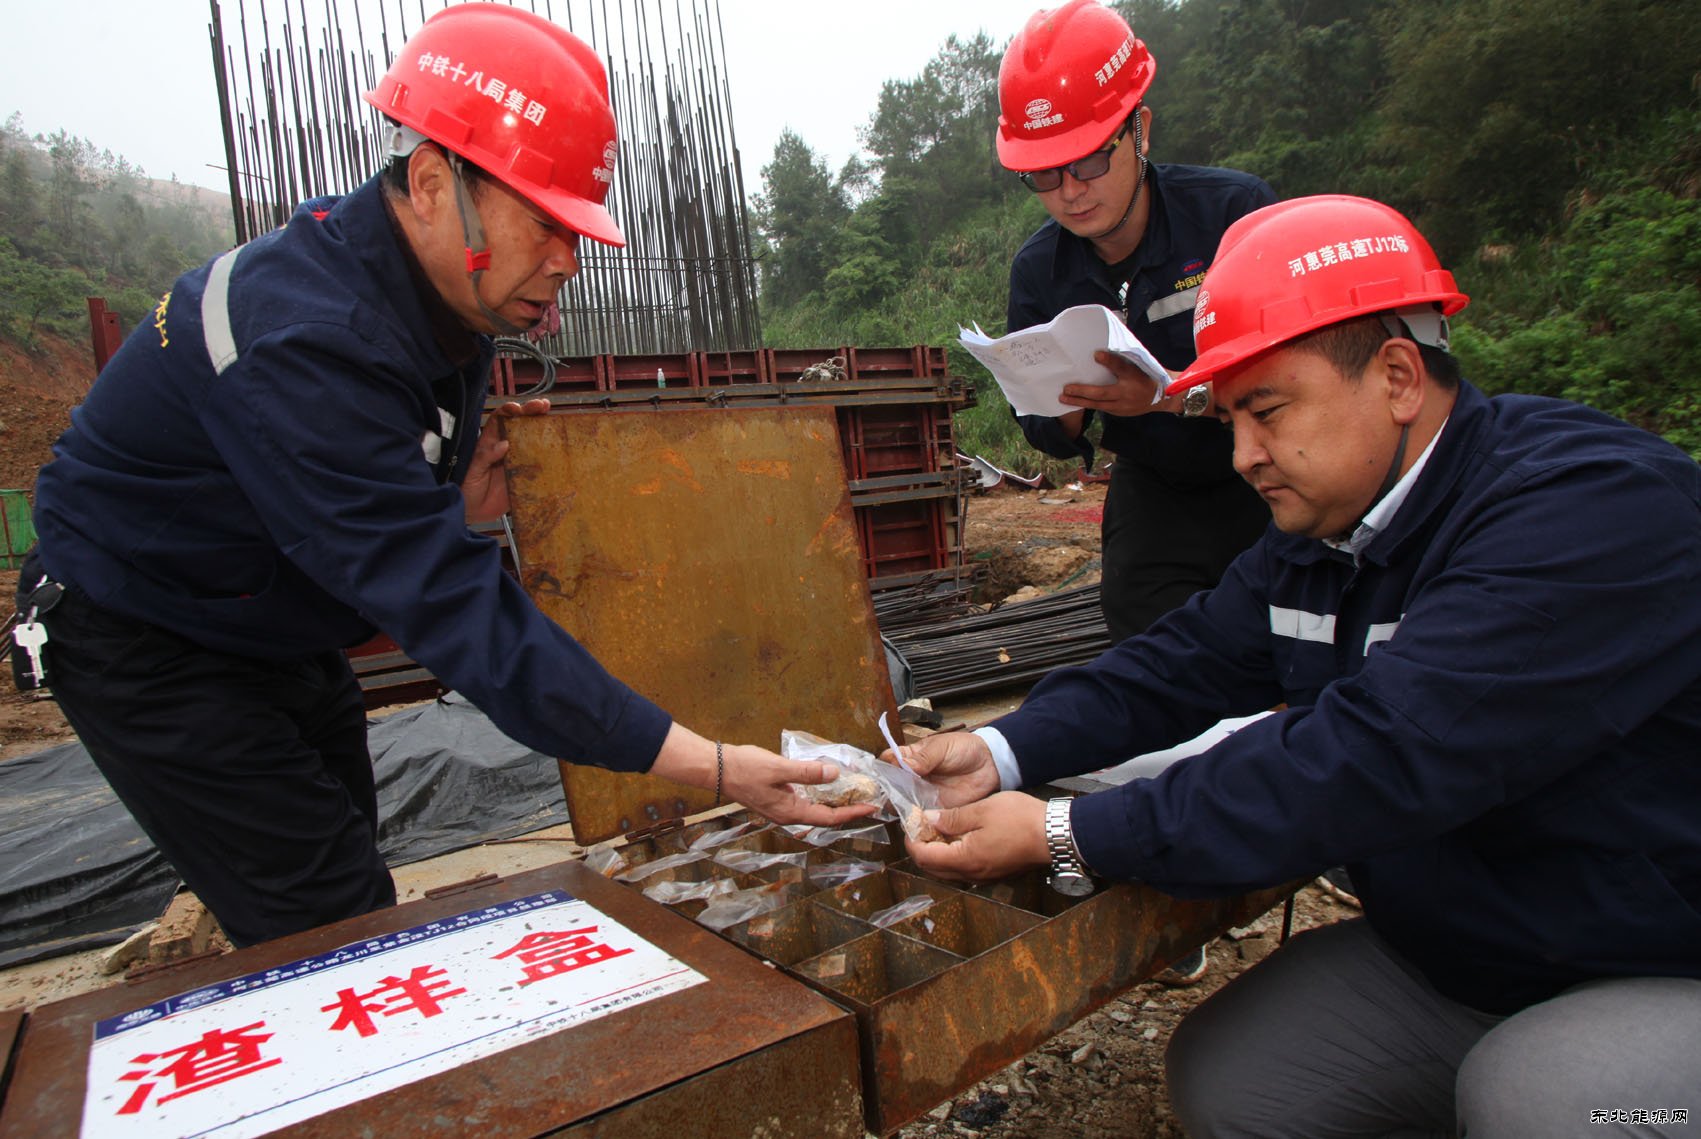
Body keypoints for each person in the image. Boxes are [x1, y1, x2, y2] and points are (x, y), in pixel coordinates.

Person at [14, 5, 870, 950]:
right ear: (431, 182)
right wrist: (711, 765)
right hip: (148, 627)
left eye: (575, 230)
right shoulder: (307, 339)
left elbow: (347, 497)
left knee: (348, 864)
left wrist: (442, 496)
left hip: (266, 607)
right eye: (543, 223)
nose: (567, 261)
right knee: (328, 917)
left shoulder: (440, 295)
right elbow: (453, 608)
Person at [897, 195, 1701, 1136]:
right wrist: (999, 750)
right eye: (1227, 419)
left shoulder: (1586, 509)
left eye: (1267, 411)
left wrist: (1068, 831)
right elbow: (1180, 662)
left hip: (1656, 958)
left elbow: (1372, 756)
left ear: (1397, 376)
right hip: (1475, 955)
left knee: (1550, 1102)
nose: (1244, 456)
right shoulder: (1328, 531)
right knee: (1237, 1082)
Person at [997, 0, 1275, 644]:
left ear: (1139, 131)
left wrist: (1168, 394)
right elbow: (1043, 428)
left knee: (1292, 627)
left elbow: (1297, 373)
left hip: (1265, 466)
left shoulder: (1233, 216)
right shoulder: (1039, 273)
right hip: (1154, 482)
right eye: (1044, 173)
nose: (1070, 190)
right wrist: (1065, 403)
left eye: (1090, 160)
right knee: (1149, 645)